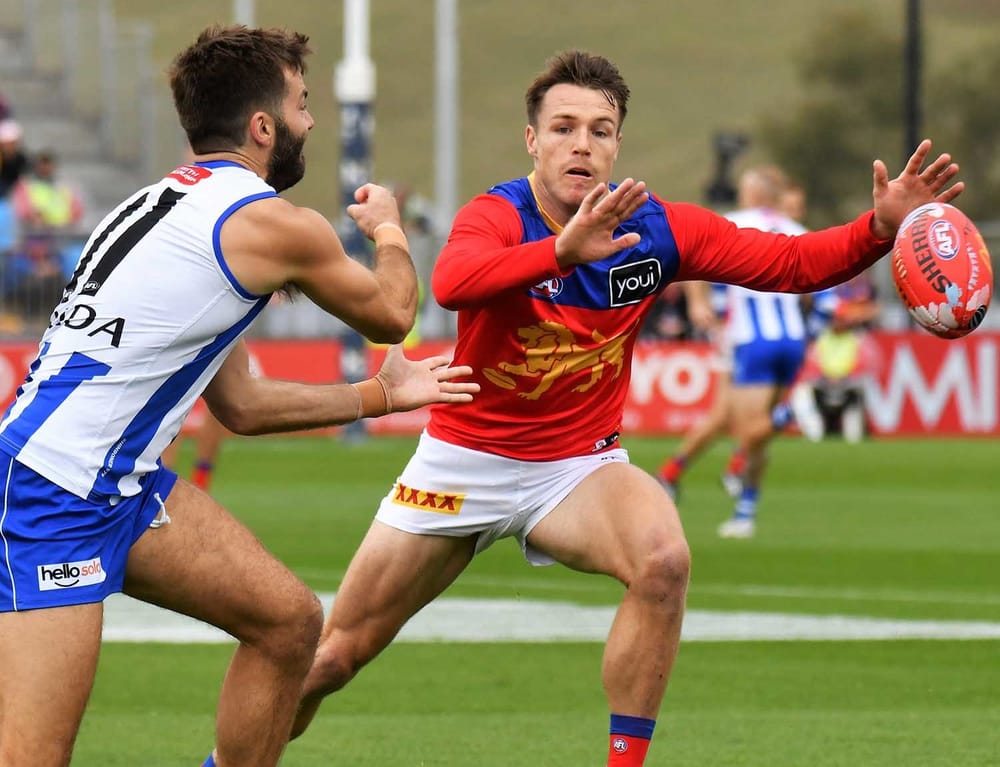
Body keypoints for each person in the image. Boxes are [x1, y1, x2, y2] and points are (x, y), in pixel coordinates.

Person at [278, 50, 962, 766]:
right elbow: (453, 282)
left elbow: (792, 264)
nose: (582, 144)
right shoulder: (498, 213)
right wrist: (562, 251)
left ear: (616, 145)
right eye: (564, 128)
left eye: (599, 131)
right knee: (332, 659)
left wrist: (878, 228)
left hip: (578, 467)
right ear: (532, 140)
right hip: (462, 462)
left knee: (664, 559)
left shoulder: (658, 229)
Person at [0, 25, 478, 767]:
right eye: (302, 104)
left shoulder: (155, 205)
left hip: (118, 488)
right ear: (262, 126)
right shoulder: (268, 224)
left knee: (288, 622)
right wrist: (389, 229)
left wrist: (379, 395)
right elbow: (392, 312)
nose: (310, 122)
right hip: (48, 495)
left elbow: (242, 405)